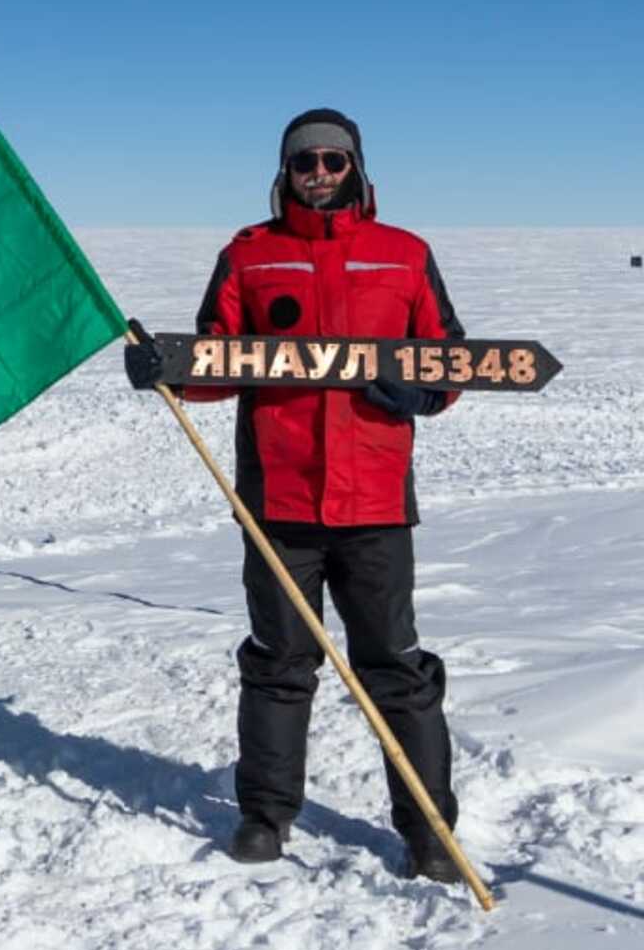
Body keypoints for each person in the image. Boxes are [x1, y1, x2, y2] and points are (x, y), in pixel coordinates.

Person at [124, 108, 464, 882]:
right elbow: (218, 359)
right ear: (285, 171)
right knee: (280, 662)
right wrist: (167, 368)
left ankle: (429, 829)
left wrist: (418, 391)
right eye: (306, 160)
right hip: (277, 501)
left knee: (395, 665)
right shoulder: (249, 254)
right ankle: (265, 814)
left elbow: (451, 358)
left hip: (377, 502)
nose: (319, 171)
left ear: (357, 169)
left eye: (333, 161)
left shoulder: (404, 255)